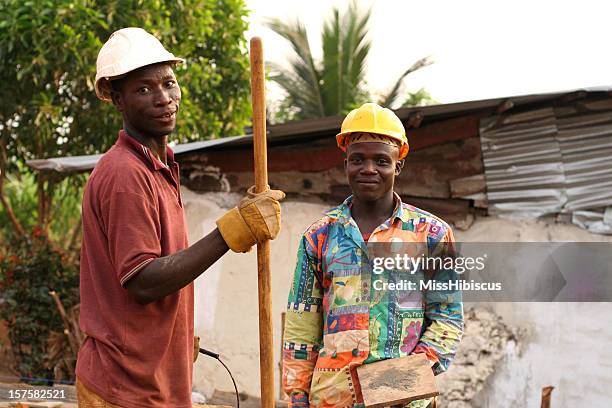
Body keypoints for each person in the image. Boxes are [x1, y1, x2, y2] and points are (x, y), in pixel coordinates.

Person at [76, 27, 284, 407]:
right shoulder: (126, 174)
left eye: (169, 83)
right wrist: (232, 231)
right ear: (117, 99)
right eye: (144, 89)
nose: (164, 98)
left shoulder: (159, 167)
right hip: (125, 389)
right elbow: (142, 281)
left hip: (152, 381)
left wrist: (174, 336)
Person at [282, 103, 463, 408]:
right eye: (358, 160)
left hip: (404, 402)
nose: (368, 169)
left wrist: (396, 385)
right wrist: (297, 397)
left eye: (381, 160)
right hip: (332, 400)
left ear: (398, 166)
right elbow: (303, 325)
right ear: (346, 164)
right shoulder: (319, 236)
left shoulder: (431, 235)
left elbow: (448, 319)